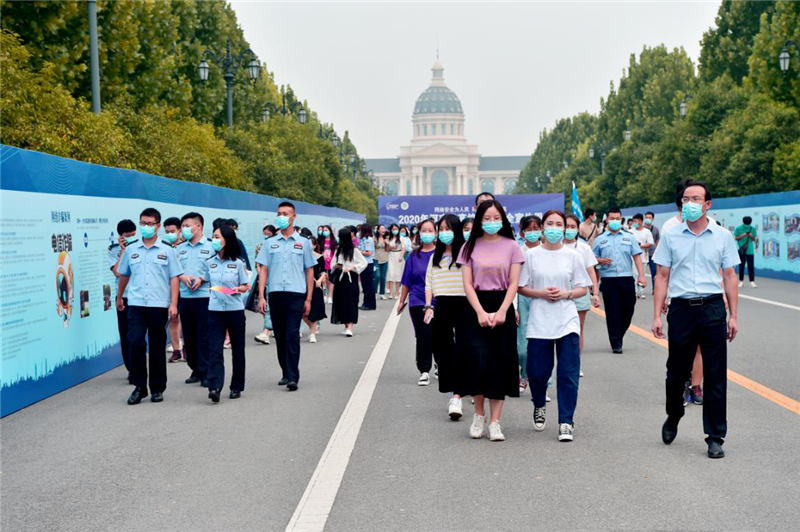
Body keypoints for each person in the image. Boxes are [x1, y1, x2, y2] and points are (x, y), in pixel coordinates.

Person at [652, 179, 739, 459]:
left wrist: (733, 315)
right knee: (676, 372)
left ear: (708, 204)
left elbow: (729, 276)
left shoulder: (722, 236)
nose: (689, 203)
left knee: (715, 375)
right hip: (681, 309)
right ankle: (674, 413)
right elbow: (662, 275)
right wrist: (656, 314)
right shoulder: (672, 235)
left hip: (713, 308)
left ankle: (715, 436)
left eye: (695, 199)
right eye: (686, 199)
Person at [519, 210, 592, 442]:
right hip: (540, 321)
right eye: (549, 223)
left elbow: (583, 287)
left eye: (558, 224)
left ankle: (566, 422)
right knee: (538, 373)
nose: (553, 228)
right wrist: (541, 293)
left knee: (568, 374)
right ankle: (539, 403)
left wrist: (566, 293)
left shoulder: (573, 255)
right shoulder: (531, 256)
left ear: (565, 228)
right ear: (542, 228)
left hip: (567, 320)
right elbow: (521, 286)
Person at [457, 199, 524, 442]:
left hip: (502, 305)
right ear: (478, 220)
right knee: (477, 360)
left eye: (496, 218)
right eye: (487, 219)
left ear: (503, 220)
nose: (492, 223)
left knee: (501, 363)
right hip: (475, 307)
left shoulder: (512, 246)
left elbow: (514, 282)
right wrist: (479, 312)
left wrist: (504, 309)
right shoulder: (468, 247)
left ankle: (495, 422)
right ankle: (478, 415)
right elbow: (467, 283)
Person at [116, 208, 182, 405]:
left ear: (158, 226)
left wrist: (174, 304)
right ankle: (139, 387)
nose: (146, 227)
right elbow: (124, 275)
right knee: (135, 342)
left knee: (156, 346)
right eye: (143, 223)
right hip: (135, 303)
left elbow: (174, 278)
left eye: (150, 224)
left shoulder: (167, 250)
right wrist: (120, 297)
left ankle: (157, 387)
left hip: (158, 304)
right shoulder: (131, 249)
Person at [256, 202, 316, 391]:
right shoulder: (270, 242)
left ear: (294, 217)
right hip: (275, 294)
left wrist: (308, 298)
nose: (282, 216)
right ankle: (285, 371)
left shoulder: (304, 242)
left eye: (286, 213)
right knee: (280, 335)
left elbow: (309, 270)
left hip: (296, 294)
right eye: (279, 213)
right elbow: (263, 269)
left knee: (291, 334)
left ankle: (292, 376)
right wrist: (262, 295)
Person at [424, 214, 468, 419]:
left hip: (464, 304)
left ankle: (457, 396)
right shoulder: (435, 255)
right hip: (441, 305)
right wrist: (428, 306)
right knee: (442, 351)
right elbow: (429, 283)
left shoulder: (467, 253)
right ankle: (453, 390)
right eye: (441, 229)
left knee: (463, 350)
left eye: (448, 228)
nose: (444, 233)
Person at [202, 224, 250, 402]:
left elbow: (246, 285)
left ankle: (236, 386)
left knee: (238, 350)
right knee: (214, 350)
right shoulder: (209, 262)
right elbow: (207, 282)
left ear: (226, 240)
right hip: (214, 311)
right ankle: (214, 386)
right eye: (213, 236)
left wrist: (240, 288)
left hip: (235, 311)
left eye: (217, 237)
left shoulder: (238, 263)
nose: (213, 240)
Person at [592, 208, 646, 353]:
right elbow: (591, 260)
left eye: (617, 218)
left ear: (621, 220)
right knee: (613, 311)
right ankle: (616, 343)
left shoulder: (629, 237)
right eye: (612, 218)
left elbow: (637, 257)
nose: (614, 221)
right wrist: (600, 260)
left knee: (628, 309)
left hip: (626, 278)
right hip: (609, 280)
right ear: (607, 220)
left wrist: (641, 275)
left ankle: (619, 333)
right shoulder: (600, 240)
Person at [176, 212, 214, 386]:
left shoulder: (212, 246)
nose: (184, 229)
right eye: (182, 226)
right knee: (189, 335)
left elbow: (216, 269)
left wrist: (202, 279)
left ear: (198, 226)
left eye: (187, 226)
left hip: (204, 296)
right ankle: (195, 369)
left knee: (204, 335)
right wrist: (182, 277)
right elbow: (174, 271)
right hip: (185, 297)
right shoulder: (180, 248)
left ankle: (206, 371)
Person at [398, 219, 437, 385]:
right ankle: (424, 369)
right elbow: (407, 281)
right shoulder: (414, 256)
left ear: (436, 233)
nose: (427, 234)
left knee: (438, 335)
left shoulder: (443, 254)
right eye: (424, 231)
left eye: (430, 230)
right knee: (423, 335)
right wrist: (401, 301)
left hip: (440, 300)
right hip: (418, 300)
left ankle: (440, 363)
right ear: (419, 233)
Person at [564, 215, 600, 376]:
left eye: (572, 226)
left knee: (577, 329)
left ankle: (575, 363)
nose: (569, 229)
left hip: (580, 292)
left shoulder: (584, 247)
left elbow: (591, 271)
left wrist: (596, 292)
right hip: (558, 293)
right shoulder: (552, 246)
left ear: (578, 228)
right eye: (566, 226)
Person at [515, 215, 542, 394]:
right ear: (522, 232)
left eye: (535, 229)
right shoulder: (517, 251)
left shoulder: (548, 251)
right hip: (522, 299)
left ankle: (543, 385)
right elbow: (512, 282)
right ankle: (524, 374)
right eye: (528, 230)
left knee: (544, 345)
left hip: (544, 299)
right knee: (522, 348)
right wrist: (513, 306)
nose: (532, 233)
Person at [109, 219, 137, 383]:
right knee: (126, 334)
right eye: (128, 236)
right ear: (121, 236)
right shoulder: (114, 250)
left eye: (134, 235)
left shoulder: (141, 247)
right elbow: (118, 272)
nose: (132, 238)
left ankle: (138, 367)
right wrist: (124, 251)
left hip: (139, 297)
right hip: (123, 297)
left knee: (137, 335)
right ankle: (131, 368)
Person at [330, 227, 368, 336]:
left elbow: (363, 263)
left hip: (351, 278)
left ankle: (350, 326)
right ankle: (346, 325)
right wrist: (336, 265)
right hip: (340, 278)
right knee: (341, 301)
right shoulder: (338, 249)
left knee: (351, 301)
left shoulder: (355, 250)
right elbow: (333, 263)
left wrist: (353, 267)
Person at [163, 217, 184, 362]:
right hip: (169, 290)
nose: (170, 234)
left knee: (187, 320)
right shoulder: (163, 248)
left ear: (179, 231)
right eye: (167, 231)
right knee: (173, 318)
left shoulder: (186, 246)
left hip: (187, 289)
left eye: (172, 231)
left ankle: (188, 347)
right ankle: (176, 350)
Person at [254, 225, 276, 345]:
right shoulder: (262, 247)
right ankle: (266, 331)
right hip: (267, 280)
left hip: (281, 282)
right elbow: (258, 264)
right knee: (268, 306)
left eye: (268, 234)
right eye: (265, 234)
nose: (266, 236)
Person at [304, 236, 328, 343]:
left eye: (312, 243)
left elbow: (324, 272)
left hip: (316, 286)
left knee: (315, 309)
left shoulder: (319, 257)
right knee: (300, 310)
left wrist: (320, 280)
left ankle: (313, 333)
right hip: (301, 285)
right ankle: (311, 326)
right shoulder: (301, 256)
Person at [630, 213, 654, 300]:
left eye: (636, 221)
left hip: (644, 257)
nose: (634, 223)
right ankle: (636, 291)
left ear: (640, 221)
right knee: (634, 274)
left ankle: (641, 291)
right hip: (632, 258)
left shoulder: (647, 232)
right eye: (633, 221)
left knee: (641, 274)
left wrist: (640, 246)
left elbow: (650, 243)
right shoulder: (630, 232)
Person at [734, 216, 758, 288]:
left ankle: (752, 281)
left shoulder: (752, 228)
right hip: (742, 250)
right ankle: (741, 281)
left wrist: (751, 235)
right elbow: (736, 238)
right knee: (741, 266)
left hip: (750, 250)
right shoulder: (738, 228)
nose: (747, 225)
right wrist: (743, 235)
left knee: (751, 266)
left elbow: (754, 239)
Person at [358, 224, 377, 310]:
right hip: (363, 263)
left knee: (368, 284)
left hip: (368, 264)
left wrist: (359, 251)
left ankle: (370, 304)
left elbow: (369, 253)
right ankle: (365, 302)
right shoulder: (362, 239)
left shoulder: (368, 240)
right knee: (364, 285)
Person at [385, 223, 405, 299]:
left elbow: (403, 248)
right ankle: (390, 293)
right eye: (393, 229)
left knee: (398, 274)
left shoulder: (402, 238)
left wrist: (401, 256)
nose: (395, 231)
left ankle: (396, 293)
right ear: (391, 230)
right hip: (391, 256)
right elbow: (387, 250)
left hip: (398, 255)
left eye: (396, 229)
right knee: (391, 273)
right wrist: (388, 245)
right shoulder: (388, 239)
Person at [644, 212, 660, 294]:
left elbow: (657, 240)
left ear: (653, 219)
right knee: (640, 272)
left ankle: (655, 289)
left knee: (654, 272)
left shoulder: (655, 229)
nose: (648, 219)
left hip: (652, 253)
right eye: (646, 217)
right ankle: (639, 290)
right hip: (642, 254)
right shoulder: (641, 229)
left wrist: (658, 251)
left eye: (649, 217)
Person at [321, 225, 337, 304]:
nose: (324, 231)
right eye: (323, 230)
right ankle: (325, 295)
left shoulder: (334, 241)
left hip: (331, 264)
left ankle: (330, 296)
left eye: (326, 230)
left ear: (330, 231)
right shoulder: (321, 241)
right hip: (323, 264)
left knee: (331, 281)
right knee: (324, 281)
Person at [373, 224, 390, 299]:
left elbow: (387, 250)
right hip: (376, 259)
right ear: (378, 230)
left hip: (384, 259)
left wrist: (388, 244)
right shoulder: (374, 238)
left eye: (384, 228)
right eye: (382, 228)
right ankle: (374, 292)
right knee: (377, 276)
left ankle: (382, 293)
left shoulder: (386, 238)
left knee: (383, 277)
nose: (383, 230)